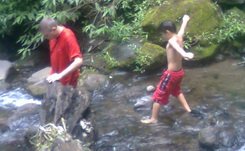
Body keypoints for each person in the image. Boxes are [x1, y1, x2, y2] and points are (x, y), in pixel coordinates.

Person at [141, 15, 194, 124]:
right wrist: (185, 21)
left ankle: (153, 119)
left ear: (167, 32)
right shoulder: (179, 37)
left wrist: (184, 54)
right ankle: (188, 110)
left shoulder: (171, 41)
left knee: (158, 95)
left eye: (163, 34)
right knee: (176, 91)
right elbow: (182, 30)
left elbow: (176, 46)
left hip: (171, 75)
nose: (163, 36)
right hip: (179, 73)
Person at [39, 18, 83, 87]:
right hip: (56, 80)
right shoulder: (53, 37)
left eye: (46, 35)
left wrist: (60, 75)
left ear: (53, 29)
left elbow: (78, 61)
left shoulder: (68, 36)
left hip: (69, 83)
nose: (45, 38)